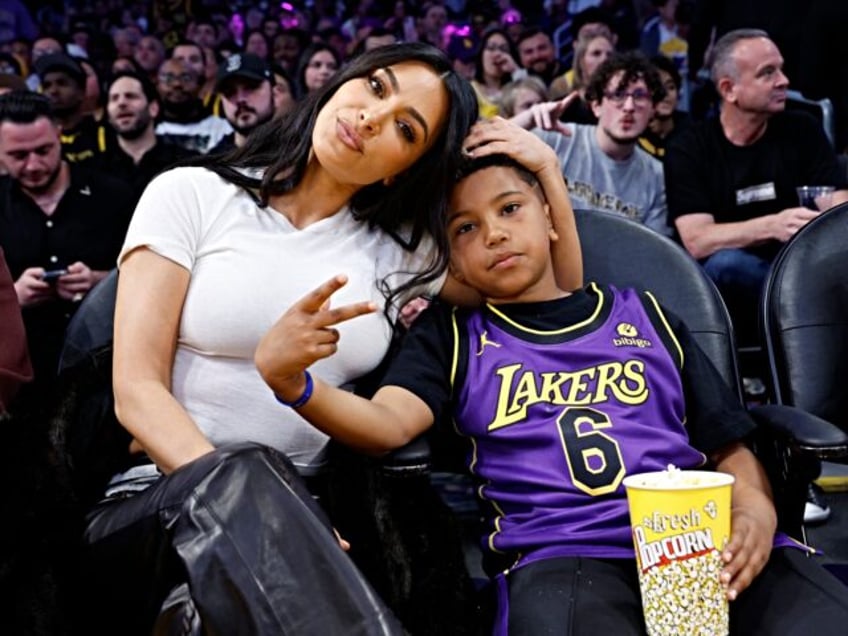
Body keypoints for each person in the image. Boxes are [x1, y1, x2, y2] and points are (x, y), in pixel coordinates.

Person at [255, 121, 848, 635]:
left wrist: (755, 511)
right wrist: (295, 386)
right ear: (448, 257)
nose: (492, 233)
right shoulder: (453, 333)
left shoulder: (645, 312)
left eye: (509, 209)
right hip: (562, 553)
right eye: (464, 228)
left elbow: (729, 444)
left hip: (698, 538)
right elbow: (386, 425)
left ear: (551, 217)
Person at [86, 42, 582, 634]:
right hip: (152, 505)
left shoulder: (396, 251)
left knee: (209, 617)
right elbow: (136, 390)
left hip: (311, 513)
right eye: (376, 87)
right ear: (342, 82)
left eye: (404, 127)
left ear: (404, 165)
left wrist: (547, 171)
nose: (372, 118)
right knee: (244, 477)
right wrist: (261, 516)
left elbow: (549, 296)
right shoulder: (192, 194)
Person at [0, 91, 132, 405]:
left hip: (104, 376)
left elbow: (152, 279)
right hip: (22, 382)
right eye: (18, 155)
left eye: (43, 150)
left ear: (60, 134)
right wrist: (11, 296)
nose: (33, 164)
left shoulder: (113, 196)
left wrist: (99, 283)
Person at [512, 50, 672, 237]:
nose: (629, 107)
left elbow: (650, 251)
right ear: (596, 106)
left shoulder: (656, 176)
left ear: (653, 109)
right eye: (618, 94)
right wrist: (529, 118)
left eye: (639, 96)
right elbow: (479, 146)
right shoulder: (558, 139)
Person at [100, 70, 196, 207]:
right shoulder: (94, 170)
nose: (121, 103)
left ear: (153, 108)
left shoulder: (185, 165)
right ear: (108, 115)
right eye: (114, 98)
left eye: (131, 96)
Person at [208, 53, 278, 153]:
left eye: (251, 87)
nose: (240, 99)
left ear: (274, 92)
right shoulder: (213, 164)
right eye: (229, 92)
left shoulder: (301, 153)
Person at [637, 53, 690, 160]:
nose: (665, 94)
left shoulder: (693, 136)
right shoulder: (632, 137)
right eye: (657, 86)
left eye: (671, 87)